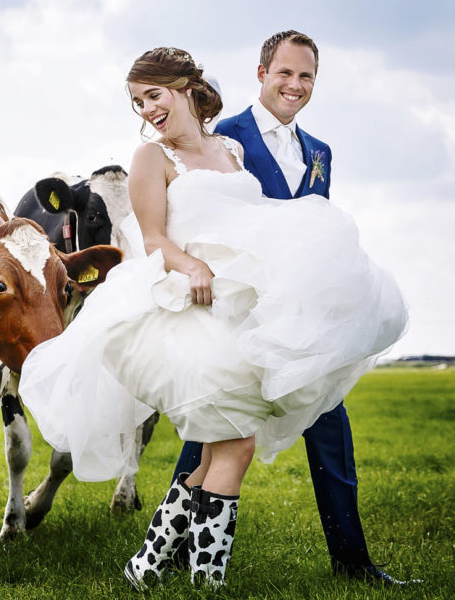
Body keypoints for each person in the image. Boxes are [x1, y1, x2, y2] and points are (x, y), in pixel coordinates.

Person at [18, 45, 407, 588]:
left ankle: (146, 567)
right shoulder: (150, 158)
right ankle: (208, 580)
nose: (148, 110)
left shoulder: (231, 149)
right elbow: (154, 239)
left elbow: (250, 221)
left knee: (217, 451)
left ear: (184, 88)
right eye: (139, 102)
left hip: (234, 309)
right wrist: (192, 265)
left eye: (154, 95)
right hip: (186, 309)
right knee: (236, 444)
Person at [169, 30, 416, 586]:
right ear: (261, 73)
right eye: (284, 72)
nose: (295, 85)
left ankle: (353, 563)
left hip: (305, 328)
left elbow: (319, 236)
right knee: (211, 437)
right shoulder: (222, 138)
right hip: (242, 319)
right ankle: (177, 551)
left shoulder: (320, 153)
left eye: (306, 76)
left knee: (332, 434)